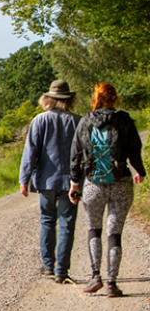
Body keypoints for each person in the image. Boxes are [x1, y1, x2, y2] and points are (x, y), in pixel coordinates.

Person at [69, 83, 146, 298]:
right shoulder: (124, 121)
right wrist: (139, 170)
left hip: (93, 183)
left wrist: (74, 183)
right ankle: (112, 283)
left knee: (94, 229)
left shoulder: (85, 122)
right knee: (115, 232)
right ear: (115, 98)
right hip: (120, 182)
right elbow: (135, 149)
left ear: (95, 98)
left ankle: (95, 277)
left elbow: (75, 154)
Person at [19, 79, 81, 284]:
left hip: (46, 181)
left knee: (47, 220)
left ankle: (48, 266)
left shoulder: (40, 120)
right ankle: (61, 270)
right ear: (69, 100)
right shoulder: (78, 121)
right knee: (67, 224)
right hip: (71, 182)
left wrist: (24, 179)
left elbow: (31, 152)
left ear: (48, 99)